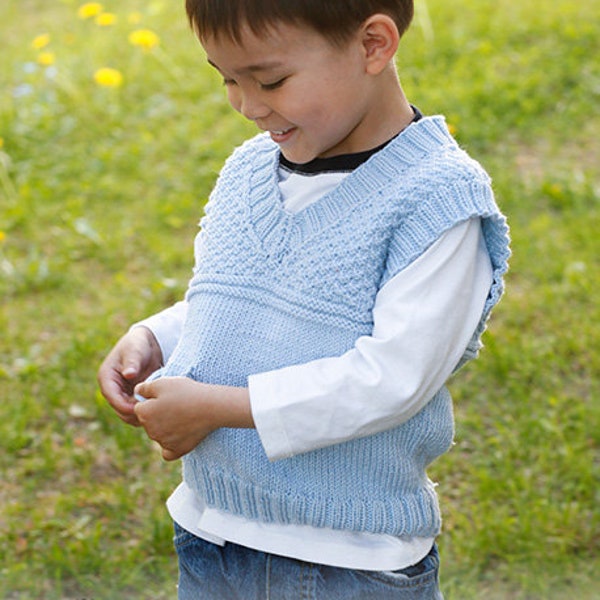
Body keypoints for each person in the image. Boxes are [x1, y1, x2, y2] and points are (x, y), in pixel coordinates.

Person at [98, 1, 510, 598]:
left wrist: (220, 407)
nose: (247, 104)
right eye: (227, 79)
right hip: (211, 533)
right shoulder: (249, 172)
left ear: (373, 44)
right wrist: (155, 337)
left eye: (270, 80)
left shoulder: (436, 203)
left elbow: (393, 378)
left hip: (344, 560)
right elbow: (240, 303)